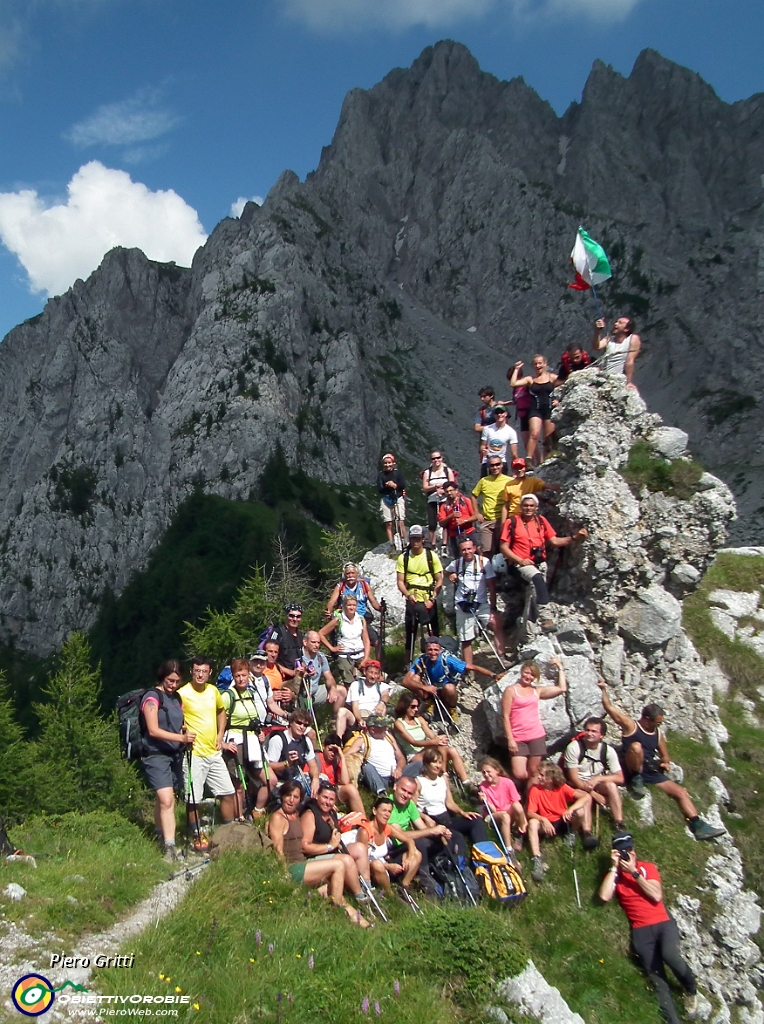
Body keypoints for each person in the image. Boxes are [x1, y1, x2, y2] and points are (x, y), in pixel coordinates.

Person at [598, 682, 725, 841]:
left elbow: (665, 756)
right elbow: (610, 708)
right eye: (657, 722)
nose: (659, 725)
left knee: (681, 792)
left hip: (650, 771)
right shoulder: (631, 726)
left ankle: (697, 825)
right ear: (646, 719)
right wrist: (603, 689)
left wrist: (665, 763)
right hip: (630, 768)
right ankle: (636, 780)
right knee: (636, 747)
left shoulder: (657, 734)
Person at [598, 830, 699, 1022]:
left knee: (671, 955)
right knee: (657, 980)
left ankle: (691, 990)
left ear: (634, 852)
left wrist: (635, 873)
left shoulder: (646, 868)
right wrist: (613, 868)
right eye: (620, 853)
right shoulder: (615, 875)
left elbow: (656, 895)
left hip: (662, 923)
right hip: (641, 931)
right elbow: (603, 896)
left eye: (628, 851)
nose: (625, 855)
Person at [269, 780, 370, 928]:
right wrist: (284, 874)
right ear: (282, 796)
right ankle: (335, 913)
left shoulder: (295, 814)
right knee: (338, 865)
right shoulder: (278, 818)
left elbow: (311, 805)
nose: (291, 800)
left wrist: (328, 806)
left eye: (296, 797)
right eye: (288, 795)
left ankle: (365, 925)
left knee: (334, 892)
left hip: (303, 864)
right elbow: (278, 849)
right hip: (293, 868)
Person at [499, 493, 588, 633]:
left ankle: (527, 634)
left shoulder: (540, 521)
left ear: (536, 508)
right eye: (525, 505)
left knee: (533, 597)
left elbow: (554, 541)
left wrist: (575, 537)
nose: (528, 508)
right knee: (537, 580)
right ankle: (546, 618)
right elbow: (503, 547)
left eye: (531, 506)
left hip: (539, 563)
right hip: (521, 564)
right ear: (521, 507)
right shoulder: (512, 522)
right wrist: (520, 560)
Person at [177, 656, 236, 850]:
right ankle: (197, 835)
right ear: (191, 672)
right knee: (194, 798)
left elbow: (221, 711)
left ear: (210, 672)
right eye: (197, 671)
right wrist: (183, 731)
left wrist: (221, 735)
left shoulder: (213, 691)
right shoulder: (183, 693)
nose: (200, 674)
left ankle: (228, 833)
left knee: (228, 792)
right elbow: (176, 717)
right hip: (194, 753)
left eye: (204, 671)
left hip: (213, 752)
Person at [140, 660, 195, 862]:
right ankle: (169, 847)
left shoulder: (176, 697)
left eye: (177, 681)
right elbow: (153, 730)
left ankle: (158, 832)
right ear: (162, 676)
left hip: (174, 754)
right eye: (170, 680)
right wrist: (181, 739)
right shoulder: (152, 698)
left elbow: (178, 722)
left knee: (164, 798)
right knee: (167, 799)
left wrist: (183, 731)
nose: (173, 685)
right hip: (155, 754)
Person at [527, 761, 597, 882]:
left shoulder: (562, 787)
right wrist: (542, 819)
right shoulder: (535, 790)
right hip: (547, 823)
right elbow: (530, 812)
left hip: (563, 820)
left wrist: (570, 809)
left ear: (551, 778)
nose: (539, 777)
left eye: (542, 775)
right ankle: (537, 859)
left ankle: (571, 833)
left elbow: (585, 797)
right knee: (533, 823)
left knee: (580, 812)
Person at [387, 775, 456, 897]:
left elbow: (422, 828)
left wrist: (440, 832)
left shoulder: (409, 805)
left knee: (444, 838)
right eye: (403, 790)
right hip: (392, 850)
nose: (406, 795)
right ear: (395, 786)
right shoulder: (388, 806)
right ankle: (426, 881)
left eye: (409, 793)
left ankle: (449, 870)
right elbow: (400, 836)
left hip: (407, 845)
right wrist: (431, 831)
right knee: (420, 842)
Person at [501, 658, 566, 786]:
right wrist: (510, 739)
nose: (528, 676)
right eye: (526, 673)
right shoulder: (511, 690)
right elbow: (505, 716)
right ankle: (522, 787)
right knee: (519, 773)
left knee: (533, 771)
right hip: (518, 737)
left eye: (532, 675)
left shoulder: (537, 691)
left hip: (536, 735)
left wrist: (560, 667)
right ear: (521, 672)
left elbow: (561, 688)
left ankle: (530, 796)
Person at [300, 782, 372, 891]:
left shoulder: (331, 813)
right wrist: (329, 846)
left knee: (360, 848)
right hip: (313, 858)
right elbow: (304, 846)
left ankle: (368, 886)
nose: (327, 802)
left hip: (331, 852)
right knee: (346, 859)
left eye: (331, 799)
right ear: (317, 796)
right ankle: (359, 895)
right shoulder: (310, 815)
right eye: (325, 797)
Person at [445, 535, 504, 668]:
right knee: (466, 638)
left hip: (481, 602)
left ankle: (501, 656)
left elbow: (491, 585)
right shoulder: (457, 563)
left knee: (496, 623)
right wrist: (450, 575)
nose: (467, 552)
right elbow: (445, 572)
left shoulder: (484, 562)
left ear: (475, 548)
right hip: (463, 604)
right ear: (460, 551)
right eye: (464, 550)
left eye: (469, 549)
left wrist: (493, 607)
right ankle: (469, 668)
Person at [221, 658, 269, 819]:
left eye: (243, 675)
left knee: (268, 779)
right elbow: (218, 720)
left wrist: (259, 733)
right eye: (237, 676)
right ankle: (238, 817)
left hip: (252, 741)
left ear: (249, 675)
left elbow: (253, 719)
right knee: (238, 785)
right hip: (236, 741)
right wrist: (222, 743)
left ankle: (255, 810)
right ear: (233, 677)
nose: (241, 679)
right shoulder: (229, 696)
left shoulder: (250, 694)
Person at [415, 749, 488, 854]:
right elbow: (412, 808)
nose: (438, 766)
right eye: (434, 762)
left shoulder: (443, 779)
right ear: (426, 763)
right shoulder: (418, 782)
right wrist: (425, 818)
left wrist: (463, 813)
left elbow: (450, 803)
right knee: (457, 837)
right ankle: (462, 865)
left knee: (476, 820)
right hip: (433, 821)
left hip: (446, 818)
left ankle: (485, 856)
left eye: (440, 762)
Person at [393, 691, 470, 785]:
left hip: (426, 750)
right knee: (438, 744)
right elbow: (413, 742)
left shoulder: (419, 719)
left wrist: (438, 738)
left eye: (417, 706)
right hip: (414, 755)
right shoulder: (399, 723)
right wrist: (434, 742)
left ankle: (466, 782)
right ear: (405, 707)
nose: (416, 709)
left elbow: (431, 735)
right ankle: (443, 773)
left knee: (452, 750)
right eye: (412, 707)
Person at [403, 636, 497, 710]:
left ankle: (452, 708)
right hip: (429, 688)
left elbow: (472, 667)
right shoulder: (421, 659)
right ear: (426, 650)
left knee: (450, 688)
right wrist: (425, 687)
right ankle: (429, 702)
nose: (433, 653)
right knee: (414, 678)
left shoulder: (448, 660)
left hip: (444, 689)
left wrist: (493, 675)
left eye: (436, 650)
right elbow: (405, 681)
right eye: (430, 650)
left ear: (440, 650)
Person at [563, 716, 625, 829]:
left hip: (595, 783)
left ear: (601, 735)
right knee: (586, 797)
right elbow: (573, 778)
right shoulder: (574, 748)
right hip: (576, 785)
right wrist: (594, 794)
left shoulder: (608, 751)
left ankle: (618, 822)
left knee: (611, 785)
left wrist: (598, 779)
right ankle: (587, 832)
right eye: (587, 730)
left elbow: (620, 778)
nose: (589, 733)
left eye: (594, 731)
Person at [356, 796, 422, 893]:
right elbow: (363, 862)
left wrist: (409, 857)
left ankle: (404, 887)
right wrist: (388, 866)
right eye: (384, 810)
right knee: (377, 865)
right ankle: (390, 894)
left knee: (417, 854)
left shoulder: (387, 828)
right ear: (374, 811)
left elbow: (409, 841)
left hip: (386, 863)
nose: (387, 814)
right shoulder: (365, 832)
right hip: (372, 869)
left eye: (389, 811)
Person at [396, 525, 443, 657]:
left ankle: (437, 660)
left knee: (434, 631)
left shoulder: (431, 556)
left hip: (428, 598)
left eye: (418, 538)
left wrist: (433, 599)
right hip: (412, 598)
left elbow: (439, 580)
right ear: (409, 540)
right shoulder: (403, 558)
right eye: (413, 538)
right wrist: (407, 595)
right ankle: (408, 664)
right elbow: (400, 581)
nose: (415, 541)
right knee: (410, 632)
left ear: (423, 539)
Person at [508, 356, 559, 464]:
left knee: (547, 438)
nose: (538, 366)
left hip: (549, 409)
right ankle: (529, 459)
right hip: (535, 409)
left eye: (540, 363)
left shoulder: (552, 377)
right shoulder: (530, 379)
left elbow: (568, 385)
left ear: (545, 364)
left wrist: (559, 401)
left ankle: (546, 462)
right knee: (534, 433)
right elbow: (513, 384)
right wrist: (516, 369)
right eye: (535, 364)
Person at [295, 630, 349, 729]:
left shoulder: (320, 657)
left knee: (341, 691)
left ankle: (335, 723)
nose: (316, 645)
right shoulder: (297, 655)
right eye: (313, 642)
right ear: (305, 642)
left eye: (318, 642)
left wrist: (332, 689)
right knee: (305, 724)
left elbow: (329, 677)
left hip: (314, 693)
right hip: (300, 695)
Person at [325, 563, 382, 656]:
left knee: (377, 642)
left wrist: (381, 608)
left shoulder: (364, 585)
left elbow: (373, 601)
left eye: (352, 573)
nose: (350, 576)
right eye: (348, 574)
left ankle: (377, 667)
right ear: (345, 575)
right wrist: (328, 611)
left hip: (361, 619)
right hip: (345, 619)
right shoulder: (340, 586)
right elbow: (332, 601)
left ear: (357, 574)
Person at [265, 708, 320, 800]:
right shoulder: (278, 740)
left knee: (323, 782)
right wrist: (287, 763)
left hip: (297, 778)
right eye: (299, 723)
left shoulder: (306, 741)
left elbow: (313, 765)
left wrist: (315, 779)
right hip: (280, 781)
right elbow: (270, 766)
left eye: (305, 725)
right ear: (291, 722)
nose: (302, 727)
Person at [344, 714, 406, 795]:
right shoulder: (362, 740)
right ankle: (381, 793)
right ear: (373, 729)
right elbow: (345, 756)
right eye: (383, 727)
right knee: (367, 767)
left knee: (419, 764)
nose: (386, 728)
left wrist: (399, 769)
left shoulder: (388, 737)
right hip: (379, 778)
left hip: (396, 775)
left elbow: (401, 758)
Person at [478, 756, 527, 854]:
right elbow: (493, 811)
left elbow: (516, 802)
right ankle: (508, 849)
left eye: (488, 771)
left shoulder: (507, 782)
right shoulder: (483, 786)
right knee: (504, 816)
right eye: (484, 772)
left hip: (507, 811)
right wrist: (485, 801)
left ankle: (520, 832)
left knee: (517, 806)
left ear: (497, 770)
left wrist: (523, 820)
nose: (486, 775)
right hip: (493, 815)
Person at [318, 595, 370, 685]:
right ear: (344, 606)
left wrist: (366, 658)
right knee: (349, 684)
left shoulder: (361, 619)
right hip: (345, 654)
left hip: (360, 653)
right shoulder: (339, 619)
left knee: (373, 674)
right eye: (349, 605)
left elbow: (366, 640)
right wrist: (332, 648)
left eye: (354, 605)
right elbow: (321, 634)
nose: (352, 607)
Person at [471, 457, 512, 556]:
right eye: (492, 465)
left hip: (503, 520)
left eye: (497, 464)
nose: (495, 467)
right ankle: (488, 570)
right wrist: (476, 513)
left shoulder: (510, 481)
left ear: (502, 465)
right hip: (487, 521)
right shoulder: (484, 481)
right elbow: (473, 496)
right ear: (489, 467)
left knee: (504, 550)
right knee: (487, 552)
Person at [316, 733, 365, 813]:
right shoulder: (315, 759)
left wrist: (342, 757)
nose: (332, 754)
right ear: (323, 746)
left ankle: (362, 820)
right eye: (330, 750)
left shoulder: (336, 761)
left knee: (351, 789)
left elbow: (345, 781)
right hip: (319, 791)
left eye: (335, 752)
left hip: (333, 790)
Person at [421, 451, 457, 547]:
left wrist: (444, 491)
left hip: (445, 499)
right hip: (432, 499)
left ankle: (444, 544)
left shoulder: (447, 471)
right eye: (433, 458)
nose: (436, 460)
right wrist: (435, 487)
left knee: (445, 522)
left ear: (442, 458)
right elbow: (424, 488)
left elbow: (452, 485)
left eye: (438, 458)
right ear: (431, 460)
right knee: (432, 523)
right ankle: (432, 544)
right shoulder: (427, 472)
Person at [592, 316, 642, 387]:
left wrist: (628, 382)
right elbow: (596, 347)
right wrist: (597, 331)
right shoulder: (609, 339)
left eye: (620, 323)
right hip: (604, 377)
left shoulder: (633, 339)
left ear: (626, 329)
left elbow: (630, 361)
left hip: (618, 378)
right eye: (616, 322)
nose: (615, 324)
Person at [438, 479, 479, 559]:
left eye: (451, 490)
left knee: (477, 552)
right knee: (458, 557)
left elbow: (475, 516)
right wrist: (451, 516)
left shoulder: (466, 501)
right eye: (447, 491)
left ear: (456, 490)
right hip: (454, 535)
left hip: (469, 531)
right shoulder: (443, 506)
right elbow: (441, 523)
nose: (449, 493)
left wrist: (464, 521)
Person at [269, 604, 305, 689]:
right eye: (292, 616)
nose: (295, 619)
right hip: (280, 678)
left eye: (298, 616)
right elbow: (269, 658)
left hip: (296, 679)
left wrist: (306, 669)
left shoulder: (300, 635)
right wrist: (290, 672)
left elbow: (300, 658)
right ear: (286, 616)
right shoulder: (277, 633)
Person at [346, 659, 391, 726]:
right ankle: (338, 736)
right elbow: (355, 706)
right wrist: (360, 719)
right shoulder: (356, 685)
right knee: (342, 711)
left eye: (376, 673)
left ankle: (379, 727)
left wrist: (382, 703)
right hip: (358, 715)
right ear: (365, 672)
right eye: (371, 672)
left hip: (375, 716)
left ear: (379, 675)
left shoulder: (383, 686)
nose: (373, 676)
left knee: (384, 707)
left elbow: (385, 695)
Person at [377, 453, 407, 550]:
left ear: (393, 463)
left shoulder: (398, 473)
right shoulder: (381, 475)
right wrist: (387, 485)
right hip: (386, 499)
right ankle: (392, 545)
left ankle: (404, 542)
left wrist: (395, 485)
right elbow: (380, 489)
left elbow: (403, 485)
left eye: (389, 463)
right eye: (385, 463)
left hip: (398, 497)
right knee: (389, 523)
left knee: (400, 521)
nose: (387, 465)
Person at [479, 405, 518, 474]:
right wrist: (483, 451)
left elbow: (514, 454)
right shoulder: (487, 429)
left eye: (501, 412)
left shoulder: (511, 432)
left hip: (501, 462)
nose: (499, 415)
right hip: (488, 461)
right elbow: (482, 445)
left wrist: (515, 469)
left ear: (505, 414)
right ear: (494, 415)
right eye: (497, 413)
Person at [263, 639, 294, 711]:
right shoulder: (257, 670)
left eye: (275, 652)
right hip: (265, 711)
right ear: (264, 652)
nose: (273, 655)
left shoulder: (278, 668)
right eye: (270, 651)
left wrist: (291, 695)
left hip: (280, 712)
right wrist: (270, 697)